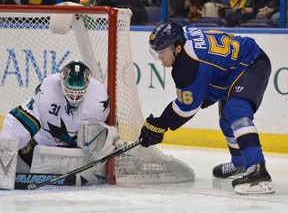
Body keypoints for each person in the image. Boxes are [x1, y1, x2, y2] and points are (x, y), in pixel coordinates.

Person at [139, 21, 275, 194]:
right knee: (226, 118)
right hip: (234, 67)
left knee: (236, 109)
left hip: (252, 62)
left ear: (177, 48)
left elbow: (186, 108)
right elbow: (212, 63)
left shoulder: (188, 65)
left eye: (163, 52)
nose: (160, 57)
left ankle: (257, 170)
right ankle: (240, 162)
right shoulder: (183, 36)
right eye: (157, 52)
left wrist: (162, 123)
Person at [0, 61, 119, 189]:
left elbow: (99, 135)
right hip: (41, 145)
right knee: (18, 140)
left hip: (76, 153)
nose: (74, 97)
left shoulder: (98, 99)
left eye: (79, 93)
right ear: (61, 82)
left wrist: (104, 147)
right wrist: (6, 149)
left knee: (105, 136)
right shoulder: (47, 90)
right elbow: (22, 121)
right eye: (69, 91)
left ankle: (96, 171)